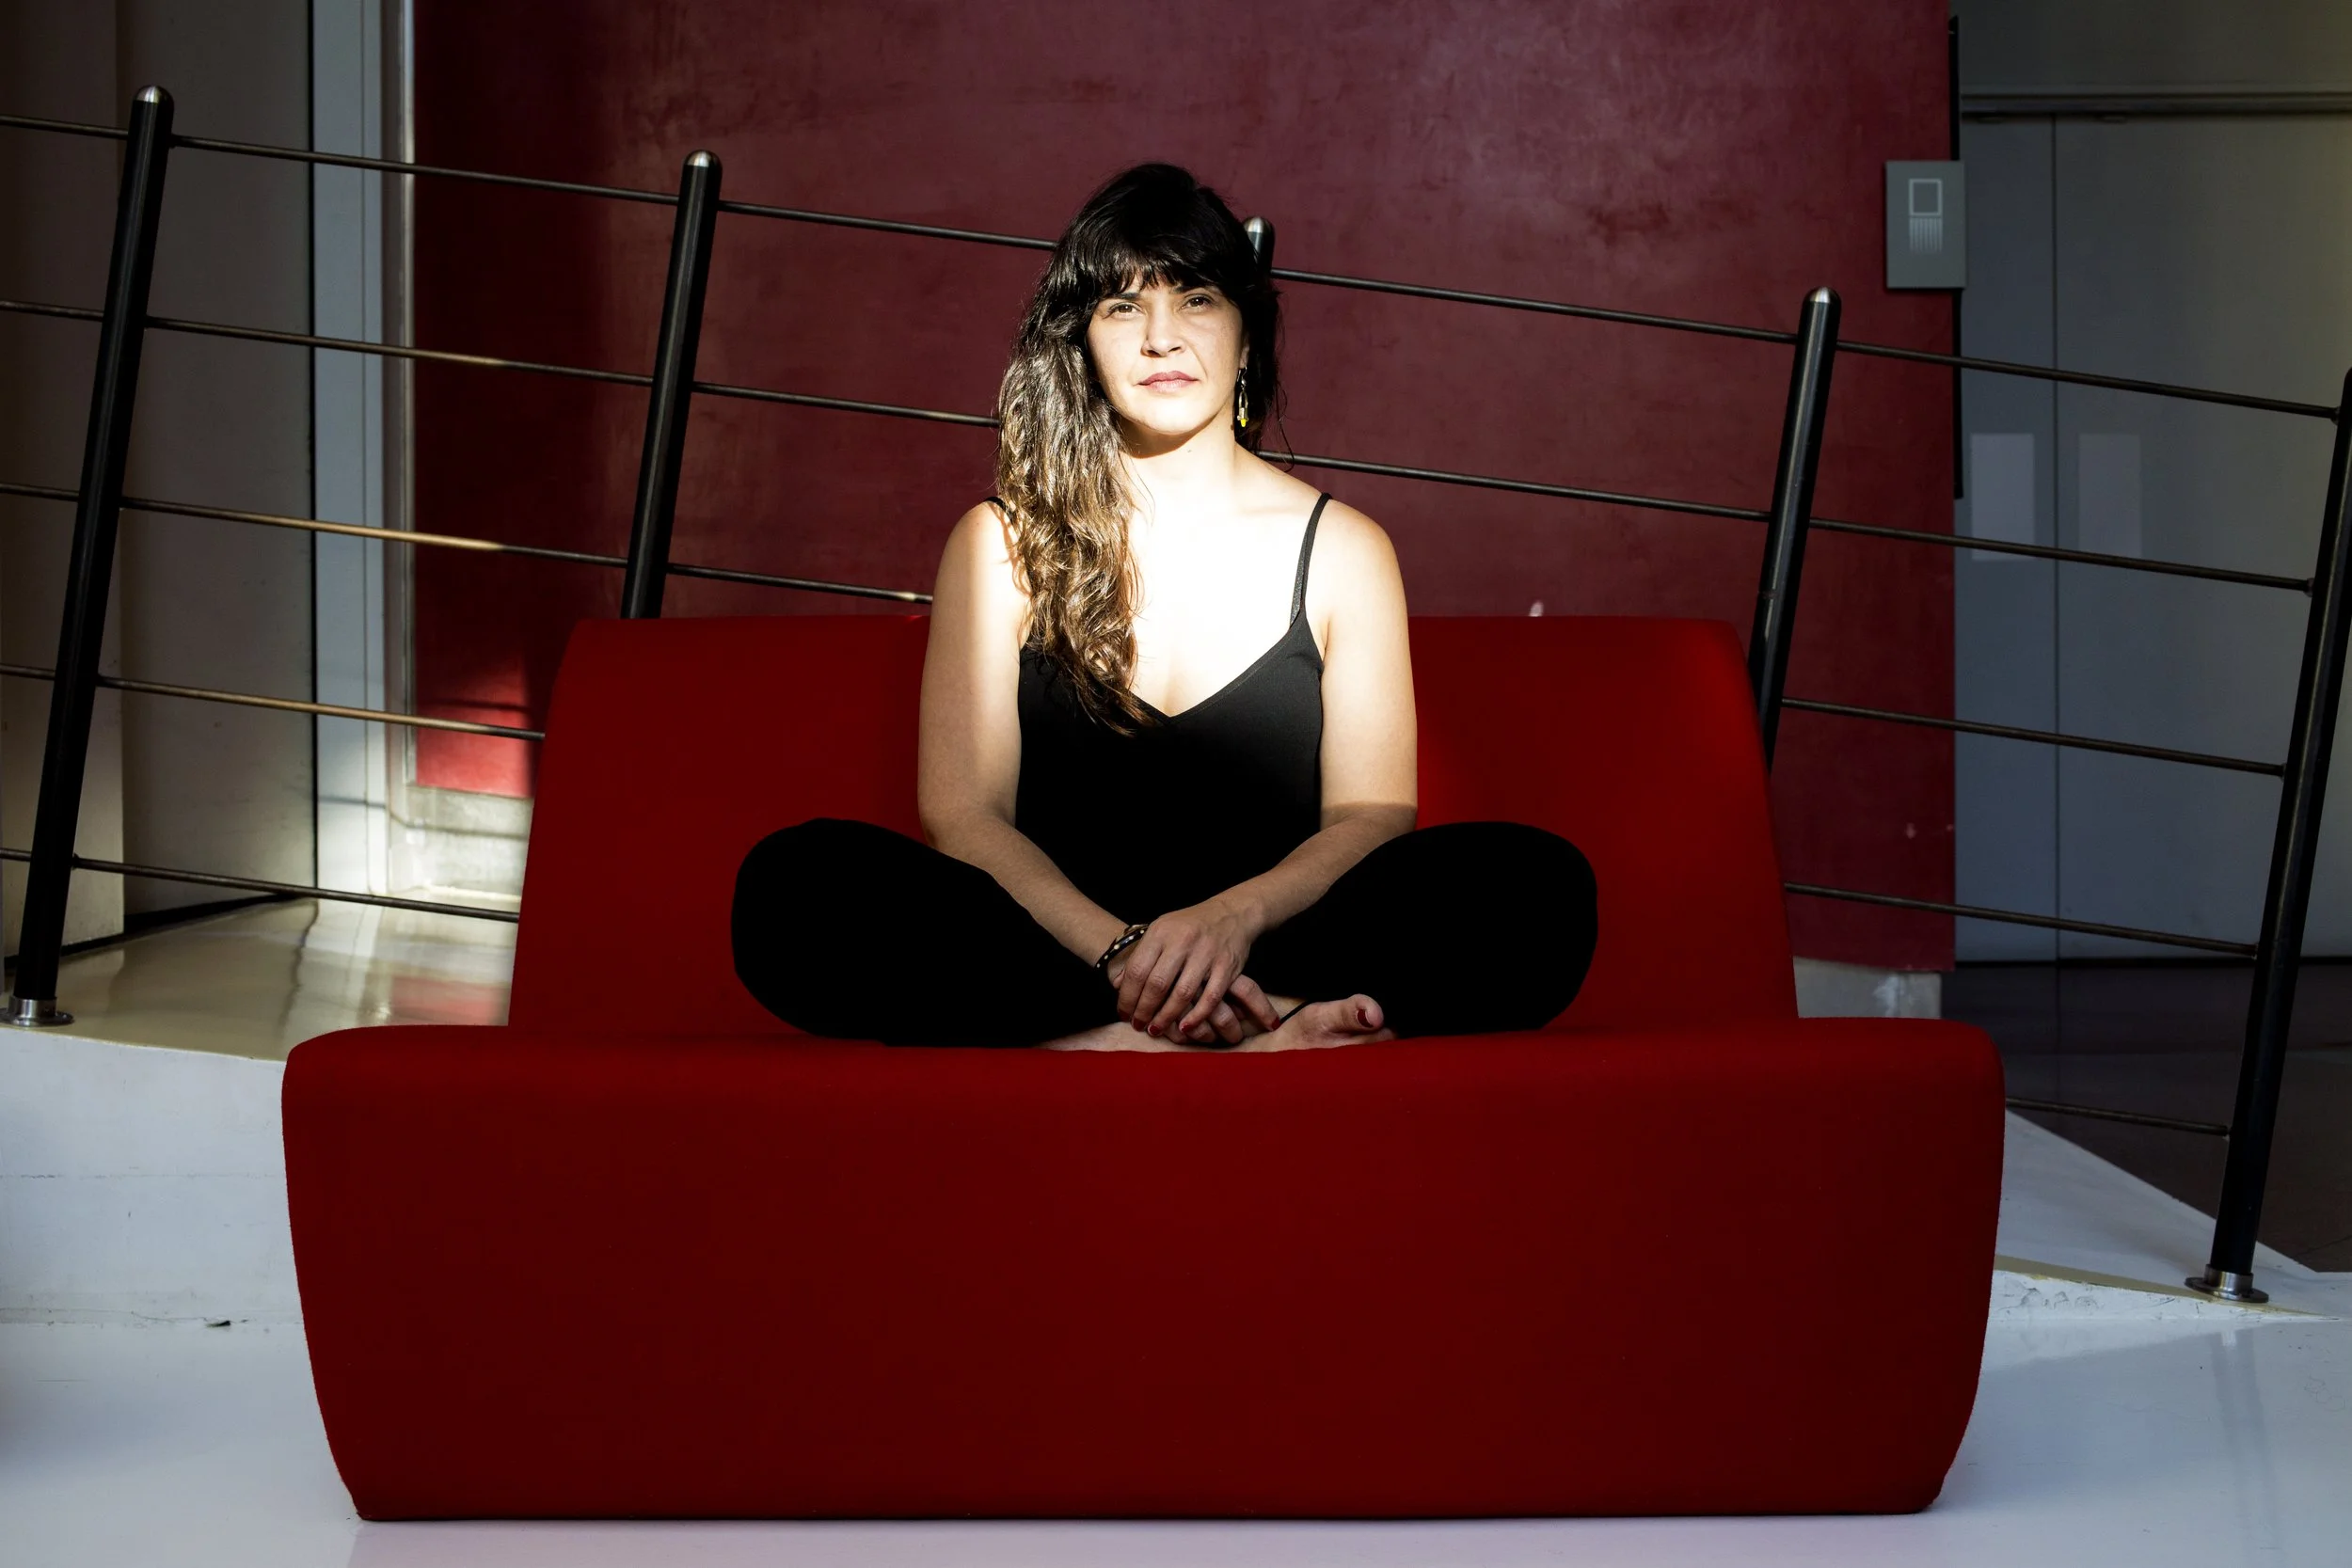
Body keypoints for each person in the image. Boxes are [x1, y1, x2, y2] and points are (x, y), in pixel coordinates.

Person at [732, 164, 1597, 1052]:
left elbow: (1372, 817)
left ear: (1247, 336)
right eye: (1121, 308)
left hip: (1273, 938)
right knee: (794, 884)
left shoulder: (1345, 549)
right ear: (1082, 344)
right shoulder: (999, 544)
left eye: (1195, 299)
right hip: (1059, 946)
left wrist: (1227, 923)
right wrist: (1123, 952)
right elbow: (965, 816)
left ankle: (1165, 1022)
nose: (1160, 338)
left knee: (1538, 886)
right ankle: (1202, 1032)